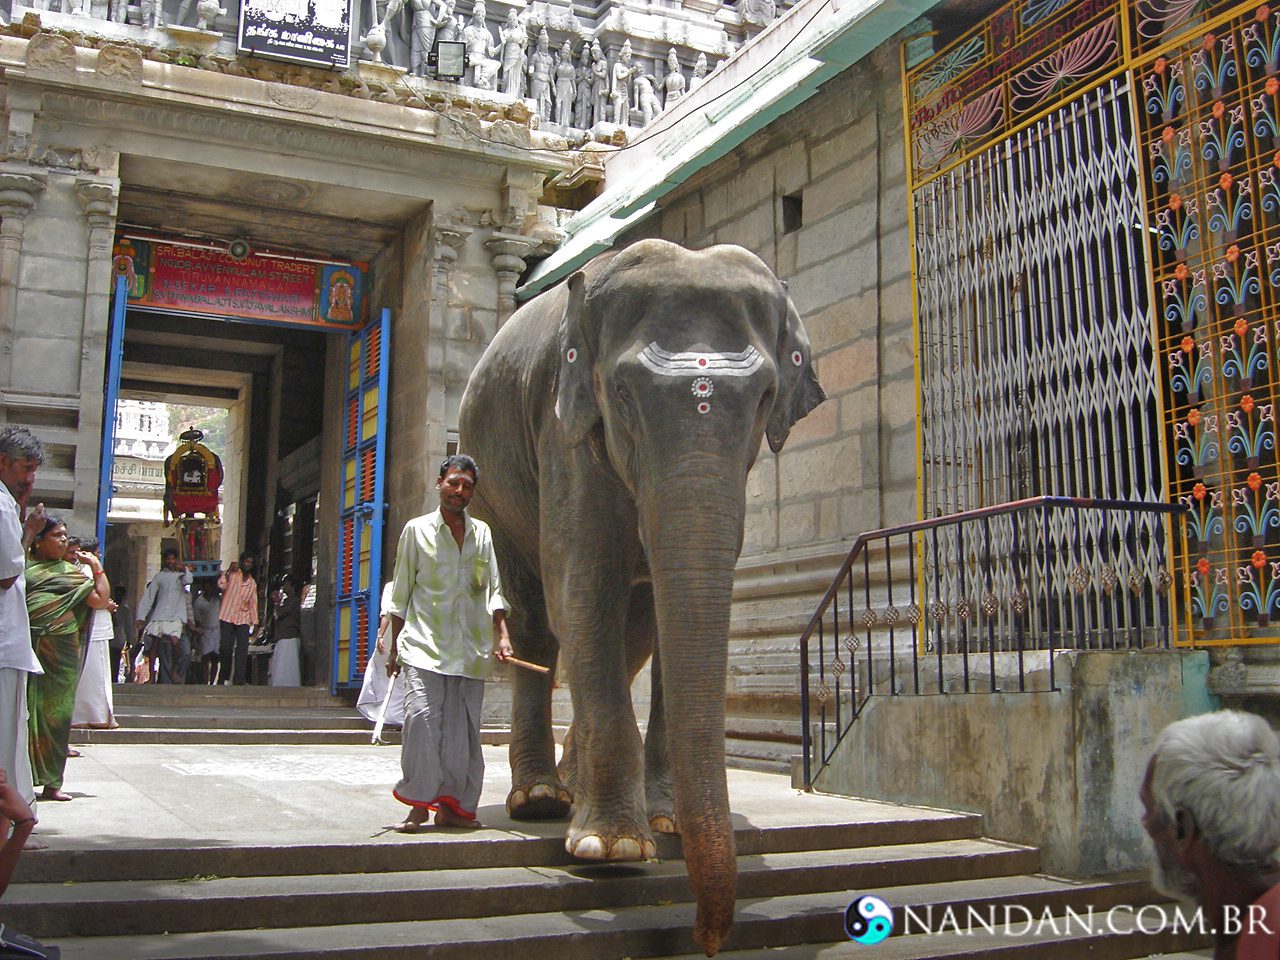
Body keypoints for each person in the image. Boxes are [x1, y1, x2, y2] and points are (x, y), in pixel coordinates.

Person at [385, 454, 511, 831]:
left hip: (470, 651)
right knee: (422, 721)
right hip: (423, 646)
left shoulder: (483, 534)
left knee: (463, 733)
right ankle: (419, 803)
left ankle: (453, 807)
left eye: (467, 486)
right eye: (454, 482)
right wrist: (393, 648)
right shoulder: (416, 531)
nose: (459, 491)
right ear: (439, 482)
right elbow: (400, 594)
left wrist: (503, 636)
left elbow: (494, 591)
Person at [1141, 710, 1280, 960]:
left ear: (1182, 828)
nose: (1145, 823)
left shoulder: (1267, 936)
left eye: (1149, 808)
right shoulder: (1251, 926)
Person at [26, 516, 109, 802]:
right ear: (39, 540)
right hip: (28, 650)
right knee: (23, 714)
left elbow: (99, 599)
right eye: (56, 535)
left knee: (58, 716)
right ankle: (19, 781)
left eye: (65, 535)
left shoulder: (71, 572)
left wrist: (96, 567)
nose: (63, 540)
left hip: (62, 655)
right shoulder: (24, 570)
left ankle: (52, 782)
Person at [0, 426, 46, 840]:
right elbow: (7, 574)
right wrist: (25, 530)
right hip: (3, 644)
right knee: (5, 739)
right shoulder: (0, 508)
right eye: (25, 468)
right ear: (3, 461)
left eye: (33, 471)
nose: (29, 478)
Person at [70, 536, 118, 730]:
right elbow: (96, 597)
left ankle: (96, 714)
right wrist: (106, 604)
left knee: (96, 670)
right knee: (94, 670)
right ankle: (94, 715)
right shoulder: (88, 570)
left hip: (97, 625)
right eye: (97, 552)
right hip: (93, 625)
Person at [136, 549, 194, 685]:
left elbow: (189, 580)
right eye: (168, 559)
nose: (170, 561)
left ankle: (174, 670)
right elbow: (148, 597)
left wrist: (185, 568)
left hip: (176, 616)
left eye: (173, 558)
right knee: (154, 645)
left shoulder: (181, 576)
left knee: (175, 642)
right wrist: (141, 617)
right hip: (160, 614)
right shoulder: (159, 576)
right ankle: (151, 677)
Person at [357, 581, 406, 728]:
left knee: (394, 676)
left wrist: (381, 634)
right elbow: (387, 612)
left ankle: (395, 716)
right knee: (394, 674)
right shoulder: (394, 586)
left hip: (396, 632)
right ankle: (394, 715)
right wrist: (381, 635)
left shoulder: (393, 586)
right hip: (398, 632)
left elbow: (387, 613)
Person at [218, 553, 259, 685]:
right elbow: (221, 585)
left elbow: (253, 603)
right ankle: (224, 673)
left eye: (250, 563)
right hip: (227, 616)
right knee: (226, 648)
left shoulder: (252, 583)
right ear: (241, 562)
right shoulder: (232, 575)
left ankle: (239, 679)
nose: (248, 565)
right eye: (246, 562)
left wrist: (256, 622)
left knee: (242, 648)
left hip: (243, 618)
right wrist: (229, 571)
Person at [269, 575, 303, 687]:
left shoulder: (294, 601)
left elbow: (280, 613)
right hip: (284, 636)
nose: (284, 587)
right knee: (281, 664)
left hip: (289, 636)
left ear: (292, 587)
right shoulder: (288, 601)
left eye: (287, 584)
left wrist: (276, 602)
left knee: (287, 664)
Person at [191, 580, 221, 685]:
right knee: (205, 657)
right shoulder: (198, 602)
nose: (208, 589)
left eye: (210, 586)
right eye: (206, 586)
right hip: (205, 631)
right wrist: (197, 636)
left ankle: (212, 682)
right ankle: (204, 681)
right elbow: (197, 620)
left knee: (215, 658)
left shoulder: (218, 600)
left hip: (217, 631)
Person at [109, 586, 135, 683]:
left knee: (115, 662)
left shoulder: (124, 610)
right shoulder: (109, 606)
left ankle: (114, 680)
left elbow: (128, 626)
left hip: (117, 640)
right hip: (109, 638)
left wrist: (129, 639)